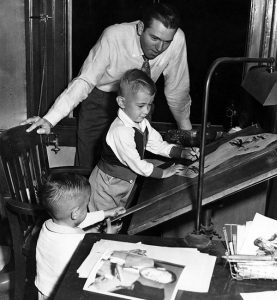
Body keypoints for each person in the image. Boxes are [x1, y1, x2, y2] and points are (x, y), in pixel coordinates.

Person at [21, 3, 193, 169]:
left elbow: (177, 90)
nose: (160, 48)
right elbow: (84, 81)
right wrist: (50, 120)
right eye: (154, 38)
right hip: (100, 101)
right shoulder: (113, 36)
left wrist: (187, 134)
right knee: (87, 164)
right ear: (141, 28)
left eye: (166, 42)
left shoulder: (177, 39)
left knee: (134, 164)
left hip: (138, 103)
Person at [88, 69, 199, 212]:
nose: (146, 111)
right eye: (141, 106)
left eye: (149, 105)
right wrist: (164, 173)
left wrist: (181, 152)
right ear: (122, 102)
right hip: (106, 187)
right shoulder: (120, 131)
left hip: (125, 182)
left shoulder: (141, 123)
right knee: (103, 227)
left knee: (117, 221)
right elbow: (137, 164)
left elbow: (157, 145)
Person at [35, 172, 126, 300]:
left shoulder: (48, 225)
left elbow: (79, 220)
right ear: (76, 213)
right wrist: (109, 236)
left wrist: (107, 213)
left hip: (44, 289)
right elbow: (97, 262)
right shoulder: (78, 243)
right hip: (63, 293)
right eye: (86, 205)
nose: (88, 207)